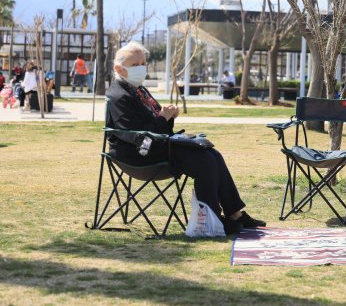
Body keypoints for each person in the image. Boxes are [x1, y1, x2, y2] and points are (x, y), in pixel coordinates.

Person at [106, 41, 265, 234]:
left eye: (143, 63)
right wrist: (162, 118)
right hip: (138, 155)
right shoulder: (119, 95)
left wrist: (168, 116)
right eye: (135, 64)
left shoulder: (139, 89)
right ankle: (211, 221)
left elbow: (155, 124)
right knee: (204, 160)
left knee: (212, 154)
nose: (142, 67)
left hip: (156, 147)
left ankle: (235, 214)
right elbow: (136, 135)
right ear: (119, 69)